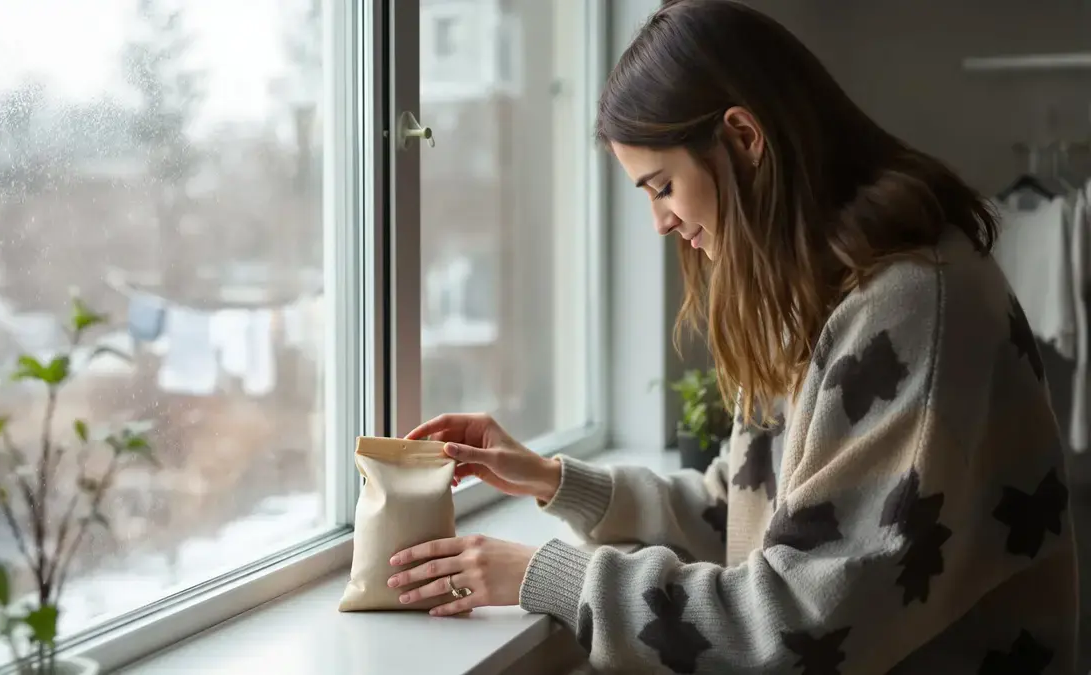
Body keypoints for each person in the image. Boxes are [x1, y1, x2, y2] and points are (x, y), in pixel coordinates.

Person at [385, 0, 1079, 672]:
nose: (659, 222)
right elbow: (742, 513)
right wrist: (553, 479)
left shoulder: (911, 306)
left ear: (745, 139)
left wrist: (548, 576)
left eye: (662, 187)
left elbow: (803, 620)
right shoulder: (827, 291)